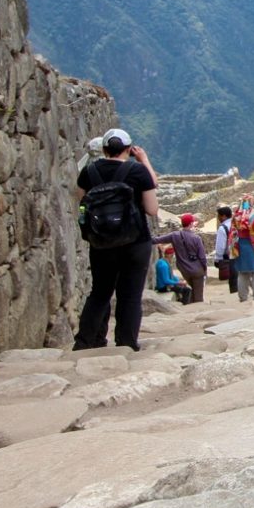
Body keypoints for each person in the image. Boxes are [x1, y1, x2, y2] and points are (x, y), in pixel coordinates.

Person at [73, 128, 158, 351]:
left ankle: (86, 341)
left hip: (101, 243)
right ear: (129, 150)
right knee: (130, 295)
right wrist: (144, 160)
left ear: (104, 149)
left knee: (100, 292)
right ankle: (126, 342)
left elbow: (83, 208)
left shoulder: (88, 173)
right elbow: (151, 209)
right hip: (135, 242)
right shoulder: (138, 172)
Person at [152, 213, 207, 303]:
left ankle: (190, 305)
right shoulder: (196, 238)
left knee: (191, 289)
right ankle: (197, 309)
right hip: (197, 270)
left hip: (184, 269)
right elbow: (202, 257)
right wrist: (204, 269)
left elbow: (156, 240)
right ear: (191, 224)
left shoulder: (174, 235)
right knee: (198, 294)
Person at [231, 199, 254, 302]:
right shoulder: (253, 216)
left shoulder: (236, 217)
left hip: (240, 247)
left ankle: (243, 297)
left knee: (243, 273)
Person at [214, 205, 238, 295]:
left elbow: (220, 247)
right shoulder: (236, 224)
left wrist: (217, 259)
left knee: (233, 280)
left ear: (223, 216)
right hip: (240, 255)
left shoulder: (222, 228)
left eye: (219, 216)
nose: (218, 218)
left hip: (230, 257)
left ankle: (236, 298)